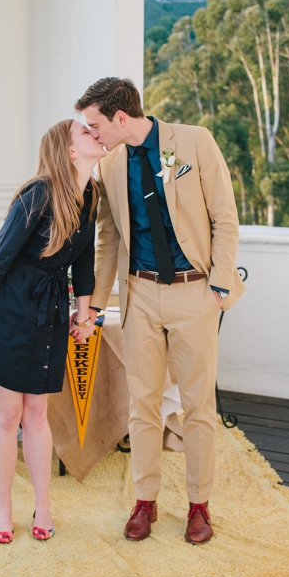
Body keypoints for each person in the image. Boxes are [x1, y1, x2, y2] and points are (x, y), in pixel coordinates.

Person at [74, 77, 245, 544]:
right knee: (142, 405)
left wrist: (217, 288)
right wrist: (93, 305)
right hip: (140, 294)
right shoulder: (109, 164)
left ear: (120, 118)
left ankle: (199, 505)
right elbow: (109, 240)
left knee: (197, 406)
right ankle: (145, 500)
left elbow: (224, 218)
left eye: (95, 125)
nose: (93, 134)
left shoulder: (194, 141)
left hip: (195, 291)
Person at [0, 119, 105, 543]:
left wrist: (84, 315)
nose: (95, 134)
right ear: (70, 151)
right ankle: (3, 509)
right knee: (7, 415)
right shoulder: (38, 193)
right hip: (8, 310)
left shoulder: (91, 194)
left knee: (37, 413)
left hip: (50, 311)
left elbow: (84, 264)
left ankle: (43, 505)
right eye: (85, 132)